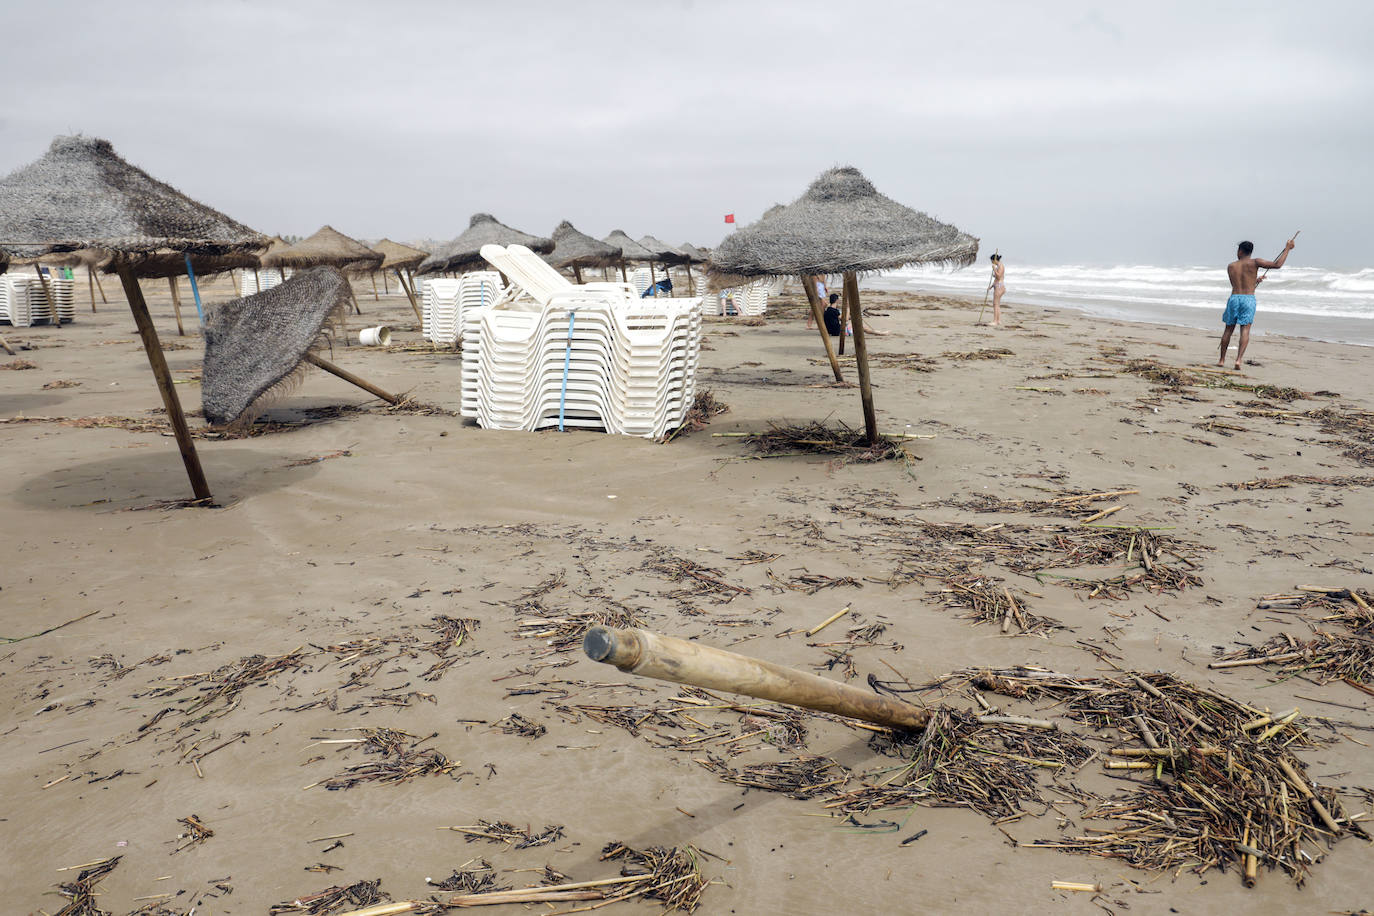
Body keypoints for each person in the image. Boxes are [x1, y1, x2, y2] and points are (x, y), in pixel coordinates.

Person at [1218, 238, 1294, 369]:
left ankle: (1222, 360)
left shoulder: (1231, 266)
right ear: (1250, 251)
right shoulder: (1255, 262)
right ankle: (1238, 360)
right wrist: (1287, 249)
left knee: (1228, 330)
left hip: (1234, 298)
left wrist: (1255, 280)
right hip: (1248, 299)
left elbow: (1238, 284)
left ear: (1240, 251)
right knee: (1245, 330)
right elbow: (1277, 265)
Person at [989, 254, 1005, 326]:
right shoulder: (999, 266)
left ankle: (995, 321)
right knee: (997, 304)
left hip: (999, 286)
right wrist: (991, 286)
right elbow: (996, 278)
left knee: (995, 304)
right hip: (997, 285)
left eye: (992, 261)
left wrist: (994, 269)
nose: (992, 262)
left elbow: (998, 276)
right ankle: (998, 321)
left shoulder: (1000, 266)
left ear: (994, 260)